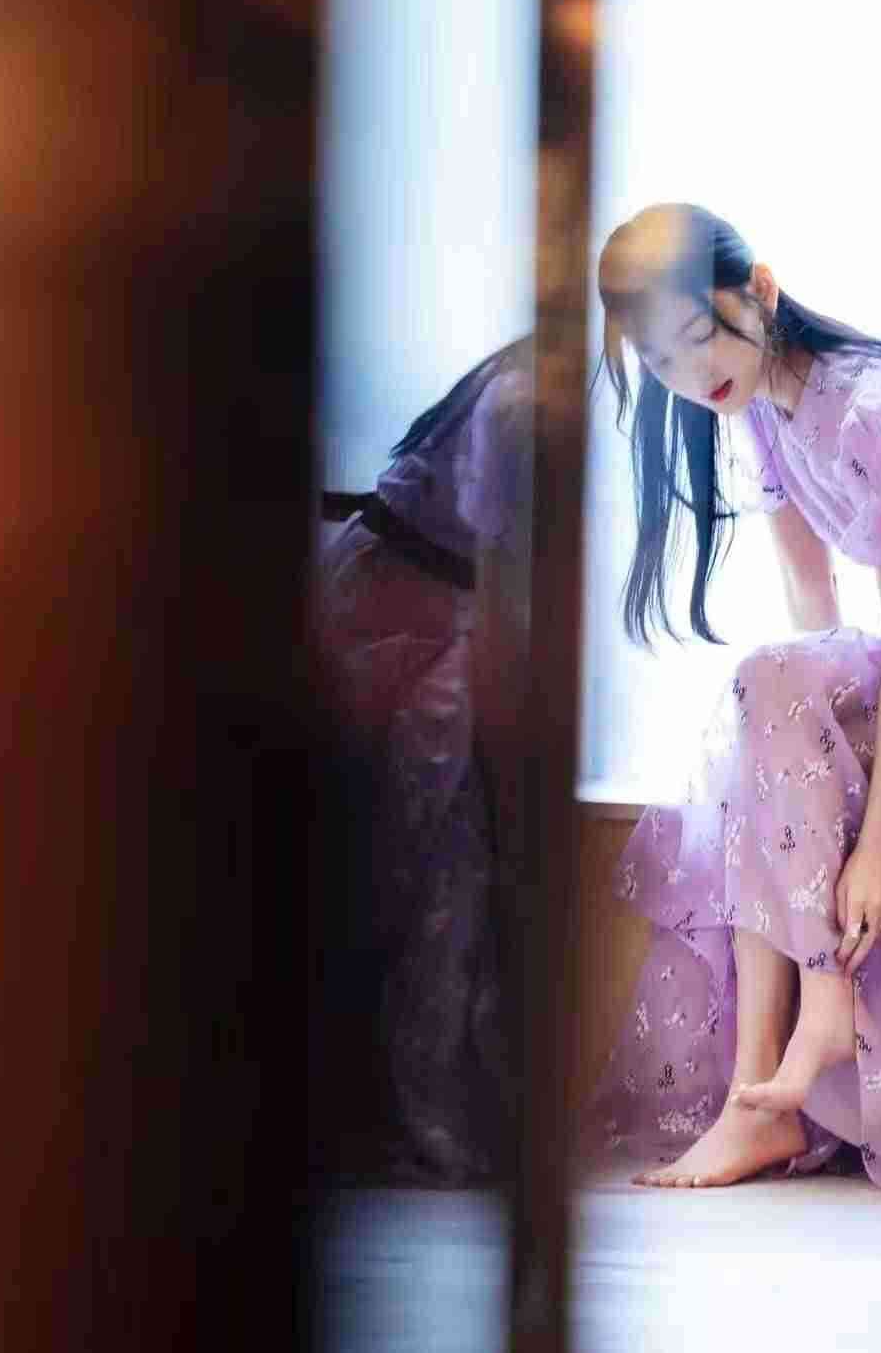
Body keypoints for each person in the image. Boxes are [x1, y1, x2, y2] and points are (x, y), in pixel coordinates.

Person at [585, 202, 881, 1202]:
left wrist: (875, 845)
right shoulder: (761, 412)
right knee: (765, 701)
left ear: (763, 290)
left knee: (772, 694)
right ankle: (761, 1093)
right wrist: (813, 779)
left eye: (700, 334)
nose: (692, 375)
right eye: (662, 362)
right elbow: (816, 628)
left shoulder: (873, 408)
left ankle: (795, 1053)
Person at [319, 336, 535, 1185]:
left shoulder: (518, 386)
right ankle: (405, 1123)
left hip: (404, 604)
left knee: (434, 875)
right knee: (419, 874)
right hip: (400, 616)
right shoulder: (523, 399)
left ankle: (411, 1123)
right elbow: (506, 585)